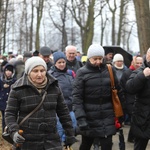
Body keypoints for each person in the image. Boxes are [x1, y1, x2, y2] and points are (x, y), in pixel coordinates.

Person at [5, 56, 76, 150]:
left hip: (51, 141)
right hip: (28, 142)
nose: (39, 74)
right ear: (28, 72)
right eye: (35, 71)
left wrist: (70, 134)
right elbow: (10, 114)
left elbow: (64, 113)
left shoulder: (54, 87)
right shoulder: (17, 89)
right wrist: (14, 132)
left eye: (42, 70)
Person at [72, 44, 122, 150]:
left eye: (100, 58)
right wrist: (81, 119)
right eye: (95, 59)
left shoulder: (109, 70)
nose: (98, 61)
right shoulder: (81, 72)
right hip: (89, 116)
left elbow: (118, 91)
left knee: (107, 145)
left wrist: (120, 113)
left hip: (107, 115)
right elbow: (77, 98)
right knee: (86, 144)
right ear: (89, 58)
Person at [48, 51, 77, 145]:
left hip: (70, 106)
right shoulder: (50, 75)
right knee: (59, 129)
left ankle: (65, 143)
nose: (62, 64)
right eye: (59, 62)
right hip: (58, 108)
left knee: (73, 126)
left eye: (63, 62)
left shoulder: (70, 74)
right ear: (55, 63)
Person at [125, 48, 150, 150]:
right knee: (140, 146)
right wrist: (143, 76)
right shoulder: (140, 71)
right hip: (142, 117)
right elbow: (129, 88)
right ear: (147, 56)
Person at [120, 55, 143, 143]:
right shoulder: (127, 73)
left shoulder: (144, 72)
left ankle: (131, 137)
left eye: (141, 63)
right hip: (130, 101)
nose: (139, 65)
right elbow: (123, 88)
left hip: (139, 101)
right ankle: (133, 137)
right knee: (134, 120)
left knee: (135, 121)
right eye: (137, 63)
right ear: (133, 63)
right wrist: (124, 102)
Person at [0, 63, 16, 132]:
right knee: (4, 117)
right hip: (2, 102)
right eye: (7, 70)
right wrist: (3, 88)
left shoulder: (14, 81)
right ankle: (4, 130)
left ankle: (10, 130)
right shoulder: (1, 80)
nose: (8, 72)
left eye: (10, 71)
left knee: (11, 117)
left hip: (11, 102)